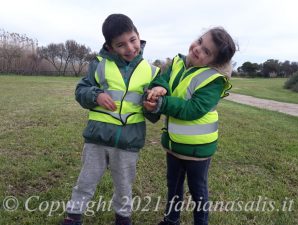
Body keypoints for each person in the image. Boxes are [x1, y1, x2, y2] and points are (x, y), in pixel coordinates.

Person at [61, 14, 160, 225]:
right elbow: (81, 91)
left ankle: (123, 218)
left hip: (128, 142)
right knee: (85, 181)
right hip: (97, 138)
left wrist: (153, 106)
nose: (130, 48)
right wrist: (95, 95)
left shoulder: (151, 72)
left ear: (138, 36)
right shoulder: (98, 64)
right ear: (111, 46)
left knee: (124, 185)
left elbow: (154, 112)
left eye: (132, 40)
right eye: (121, 45)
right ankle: (73, 216)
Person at [144, 27, 236, 225]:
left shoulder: (214, 80)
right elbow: (163, 79)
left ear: (215, 62)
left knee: (198, 189)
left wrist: (163, 104)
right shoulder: (178, 62)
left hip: (198, 149)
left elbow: (193, 109)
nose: (198, 49)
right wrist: (160, 87)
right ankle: (171, 219)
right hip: (174, 143)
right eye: (200, 41)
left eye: (206, 51)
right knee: (174, 185)